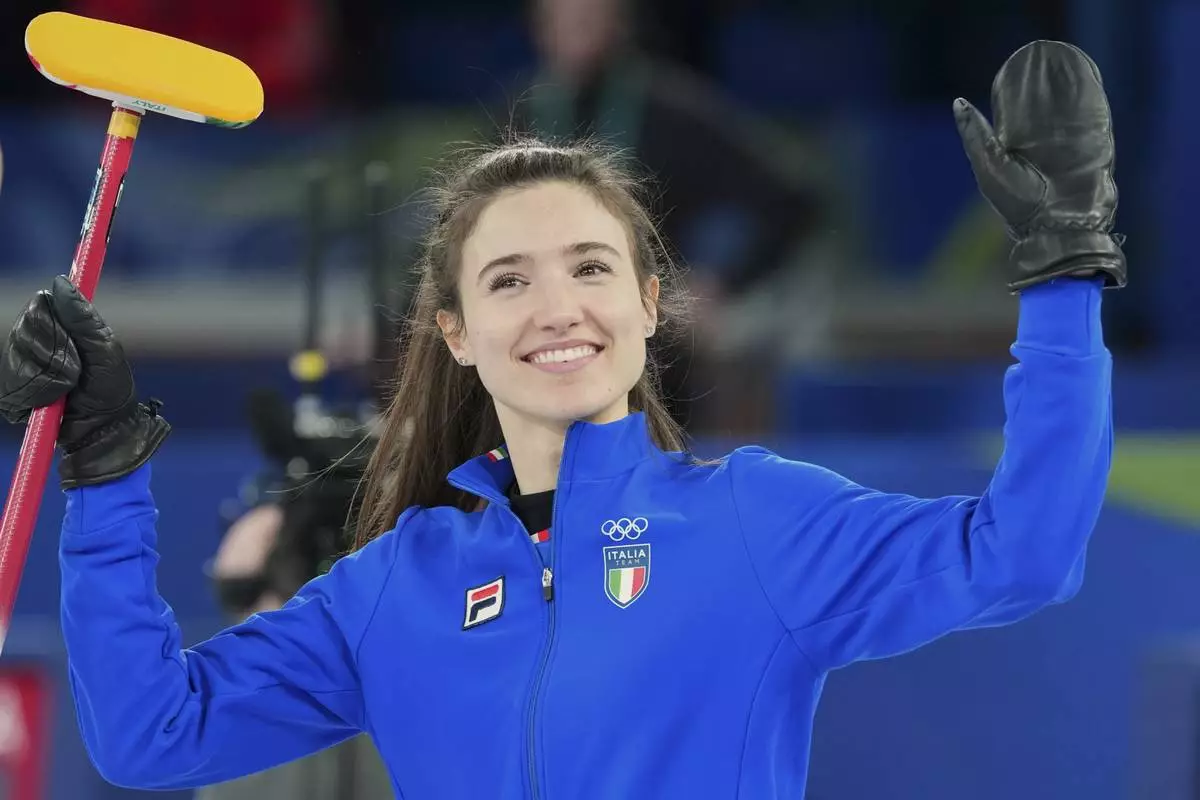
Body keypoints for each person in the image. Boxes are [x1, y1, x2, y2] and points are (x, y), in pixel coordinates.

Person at [0, 41, 1120, 798]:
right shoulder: (397, 581)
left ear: (648, 301)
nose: (556, 308)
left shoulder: (755, 518)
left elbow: (1022, 553)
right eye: (507, 280)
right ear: (453, 330)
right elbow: (151, 735)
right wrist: (106, 476)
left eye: (590, 265)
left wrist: (1062, 281)